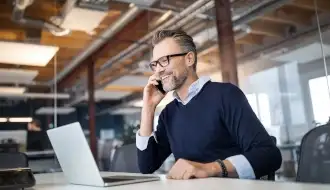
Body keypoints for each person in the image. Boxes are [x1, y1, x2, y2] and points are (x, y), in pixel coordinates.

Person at [136, 29, 282, 180]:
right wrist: (148, 107)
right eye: (154, 64)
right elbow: (147, 166)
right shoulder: (168, 113)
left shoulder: (226, 95)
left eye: (164, 60)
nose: (158, 70)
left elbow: (269, 155)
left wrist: (210, 169)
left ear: (189, 59)